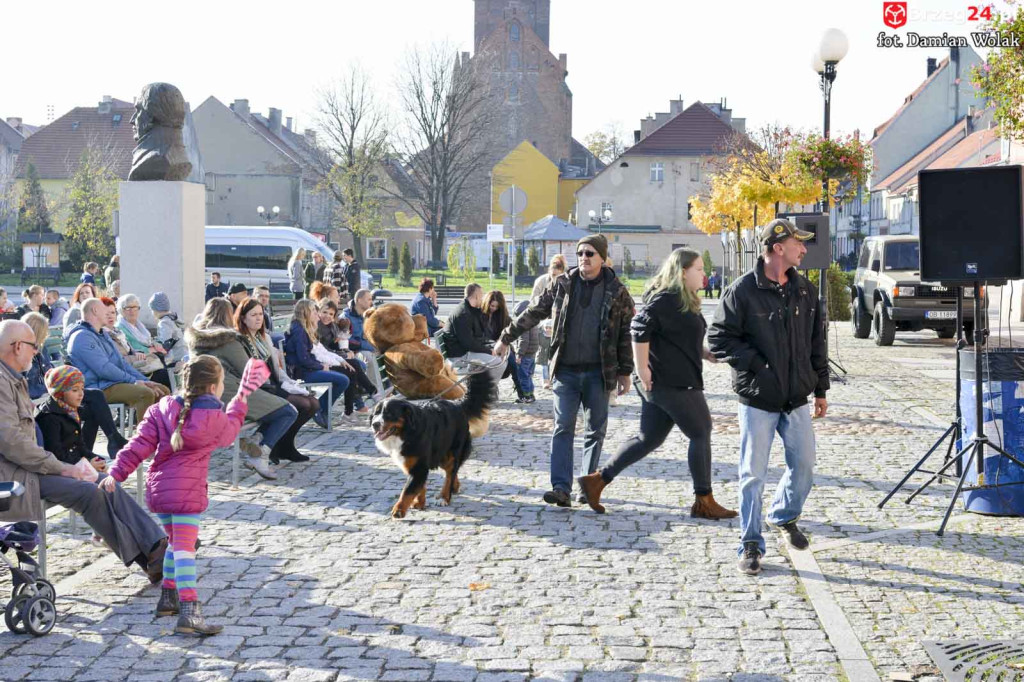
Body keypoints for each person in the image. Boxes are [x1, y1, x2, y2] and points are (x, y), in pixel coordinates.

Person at [102, 355, 268, 635]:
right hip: (186, 492)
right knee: (184, 550)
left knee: (174, 543)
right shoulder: (212, 417)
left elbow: (138, 445)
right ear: (214, 387)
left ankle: (169, 597)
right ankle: (191, 609)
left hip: (160, 491)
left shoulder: (160, 409)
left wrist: (115, 473)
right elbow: (229, 434)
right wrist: (240, 399)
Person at [0, 319, 168, 583]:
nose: (37, 352)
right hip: (14, 478)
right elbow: (13, 444)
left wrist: (72, 466)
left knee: (104, 481)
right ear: (18, 346)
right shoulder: (2, 383)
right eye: (34, 346)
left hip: (30, 468)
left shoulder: (13, 379)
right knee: (89, 490)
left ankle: (156, 546)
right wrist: (64, 467)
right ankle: (147, 557)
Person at [577, 248, 737, 519]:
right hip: (670, 381)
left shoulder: (684, 299)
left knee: (648, 438)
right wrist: (642, 369)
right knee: (701, 432)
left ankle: (596, 481)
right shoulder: (667, 298)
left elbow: (677, 335)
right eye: (698, 269)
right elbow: (639, 328)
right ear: (683, 272)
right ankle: (704, 500)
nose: (704, 275)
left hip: (672, 379)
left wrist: (705, 353)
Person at [708, 218, 829, 576]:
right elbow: (719, 339)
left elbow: (815, 344)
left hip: (796, 399)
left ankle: (784, 515)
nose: (804, 249)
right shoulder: (742, 291)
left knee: (804, 466)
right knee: (752, 475)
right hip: (758, 399)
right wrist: (758, 365)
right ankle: (750, 542)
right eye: (798, 243)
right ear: (778, 247)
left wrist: (820, 388)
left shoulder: (805, 290)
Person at [493, 234, 634, 508]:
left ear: (602, 258)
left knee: (595, 430)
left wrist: (625, 372)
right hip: (566, 372)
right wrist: (505, 338)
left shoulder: (617, 291)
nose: (584, 258)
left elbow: (625, 334)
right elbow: (533, 312)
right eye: (581, 253)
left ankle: (588, 487)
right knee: (563, 428)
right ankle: (560, 488)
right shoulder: (563, 285)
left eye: (590, 253)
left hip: (599, 373)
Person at [186, 298, 295, 479]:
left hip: (199, 398)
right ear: (229, 316)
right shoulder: (227, 340)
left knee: (274, 407)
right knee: (287, 411)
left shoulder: (195, 340)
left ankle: (254, 442)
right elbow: (248, 371)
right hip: (228, 396)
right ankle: (260, 454)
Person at [22, 312, 128, 458]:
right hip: (43, 399)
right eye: (45, 330)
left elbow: (50, 374)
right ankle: (112, 439)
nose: (47, 334)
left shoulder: (41, 350)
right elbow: (28, 385)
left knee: (93, 406)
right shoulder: (24, 354)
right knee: (95, 397)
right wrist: (50, 388)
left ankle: (89, 449)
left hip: (54, 392)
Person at [235, 297, 318, 463]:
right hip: (259, 389)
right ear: (243, 318)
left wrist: (291, 384)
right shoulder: (240, 340)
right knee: (301, 404)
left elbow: (277, 370)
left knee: (313, 404)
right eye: (253, 315)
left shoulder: (263, 338)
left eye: (260, 314)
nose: (259, 318)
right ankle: (273, 446)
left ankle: (286, 445)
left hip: (274, 384)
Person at [67, 298, 169, 418]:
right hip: (99, 387)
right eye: (105, 311)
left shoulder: (102, 333)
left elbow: (121, 363)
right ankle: (144, 435)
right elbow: (104, 369)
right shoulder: (82, 337)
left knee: (162, 390)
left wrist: (145, 381)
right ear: (95, 310)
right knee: (145, 394)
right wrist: (134, 381)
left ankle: (159, 433)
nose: (110, 314)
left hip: (113, 382)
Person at [283, 299, 349, 428]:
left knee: (343, 378)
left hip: (307, 368)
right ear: (305, 312)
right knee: (343, 380)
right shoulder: (299, 331)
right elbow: (303, 359)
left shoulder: (304, 328)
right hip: (301, 372)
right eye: (314, 311)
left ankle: (320, 409)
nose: (317, 314)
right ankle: (320, 409)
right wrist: (320, 366)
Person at [36, 366, 108, 472]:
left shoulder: (71, 410)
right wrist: (87, 465)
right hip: (61, 470)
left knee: (109, 477)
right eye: (75, 390)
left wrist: (96, 459)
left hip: (75, 465)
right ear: (60, 392)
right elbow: (56, 455)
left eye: (82, 389)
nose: (81, 394)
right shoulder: (49, 417)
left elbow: (80, 445)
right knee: (105, 484)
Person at [317, 300, 376, 415]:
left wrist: (346, 350)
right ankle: (368, 395)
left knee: (355, 365)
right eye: (324, 312)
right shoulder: (317, 327)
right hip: (321, 362)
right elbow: (321, 349)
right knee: (352, 368)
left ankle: (357, 405)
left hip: (330, 358)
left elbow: (334, 345)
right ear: (318, 311)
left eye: (331, 314)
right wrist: (342, 355)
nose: (327, 316)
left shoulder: (331, 326)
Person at [440, 284, 505, 383]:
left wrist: (491, 344)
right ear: (476, 296)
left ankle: (484, 388)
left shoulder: (469, 309)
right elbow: (468, 344)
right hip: (460, 355)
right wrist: (489, 351)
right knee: (499, 362)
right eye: (481, 295)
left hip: (464, 350)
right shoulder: (463, 314)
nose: (483, 299)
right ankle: (487, 391)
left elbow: (476, 337)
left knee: (500, 357)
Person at [483, 290, 524, 402]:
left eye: (497, 307)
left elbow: (512, 330)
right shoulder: (481, 315)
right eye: (492, 306)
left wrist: (501, 340)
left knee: (512, 361)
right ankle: (492, 388)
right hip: (485, 347)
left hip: (500, 347)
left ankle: (521, 391)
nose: (494, 308)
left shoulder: (502, 316)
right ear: (487, 303)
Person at [342, 289, 385, 394]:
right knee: (370, 357)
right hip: (353, 351)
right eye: (369, 299)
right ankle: (376, 391)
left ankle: (387, 386)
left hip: (368, 347)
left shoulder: (368, 314)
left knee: (390, 353)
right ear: (359, 300)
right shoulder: (346, 317)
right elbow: (348, 341)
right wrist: (371, 347)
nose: (371, 302)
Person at [512, 299, 539, 404]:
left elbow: (524, 340)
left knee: (522, 375)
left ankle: (525, 396)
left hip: (525, 354)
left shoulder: (524, 324)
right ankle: (531, 394)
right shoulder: (534, 322)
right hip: (532, 353)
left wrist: (519, 354)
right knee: (528, 375)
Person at [149, 292, 187, 365]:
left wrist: (154, 343)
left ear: (156, 309)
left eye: (152, 309)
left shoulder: (164, 323)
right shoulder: (173, 319)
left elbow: (165, 346)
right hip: (183, 355)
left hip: (175, 361)